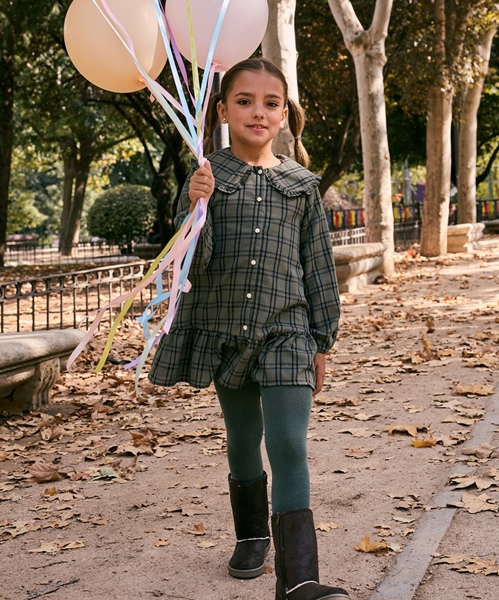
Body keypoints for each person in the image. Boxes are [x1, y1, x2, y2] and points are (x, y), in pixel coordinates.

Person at [149, 58, 347, 600]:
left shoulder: (302, 186)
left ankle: (299, 578)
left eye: (270, 103)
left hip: (289, 333)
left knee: (287, 443)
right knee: (243, 440)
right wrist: (196, 206)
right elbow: (193, 262)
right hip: (226, 332)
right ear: (222, 111)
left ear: (285, 114)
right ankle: (253, 535)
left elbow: (318, 267)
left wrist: (322, 340)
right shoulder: (207, 177)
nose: (257, 112)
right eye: (244, 101)